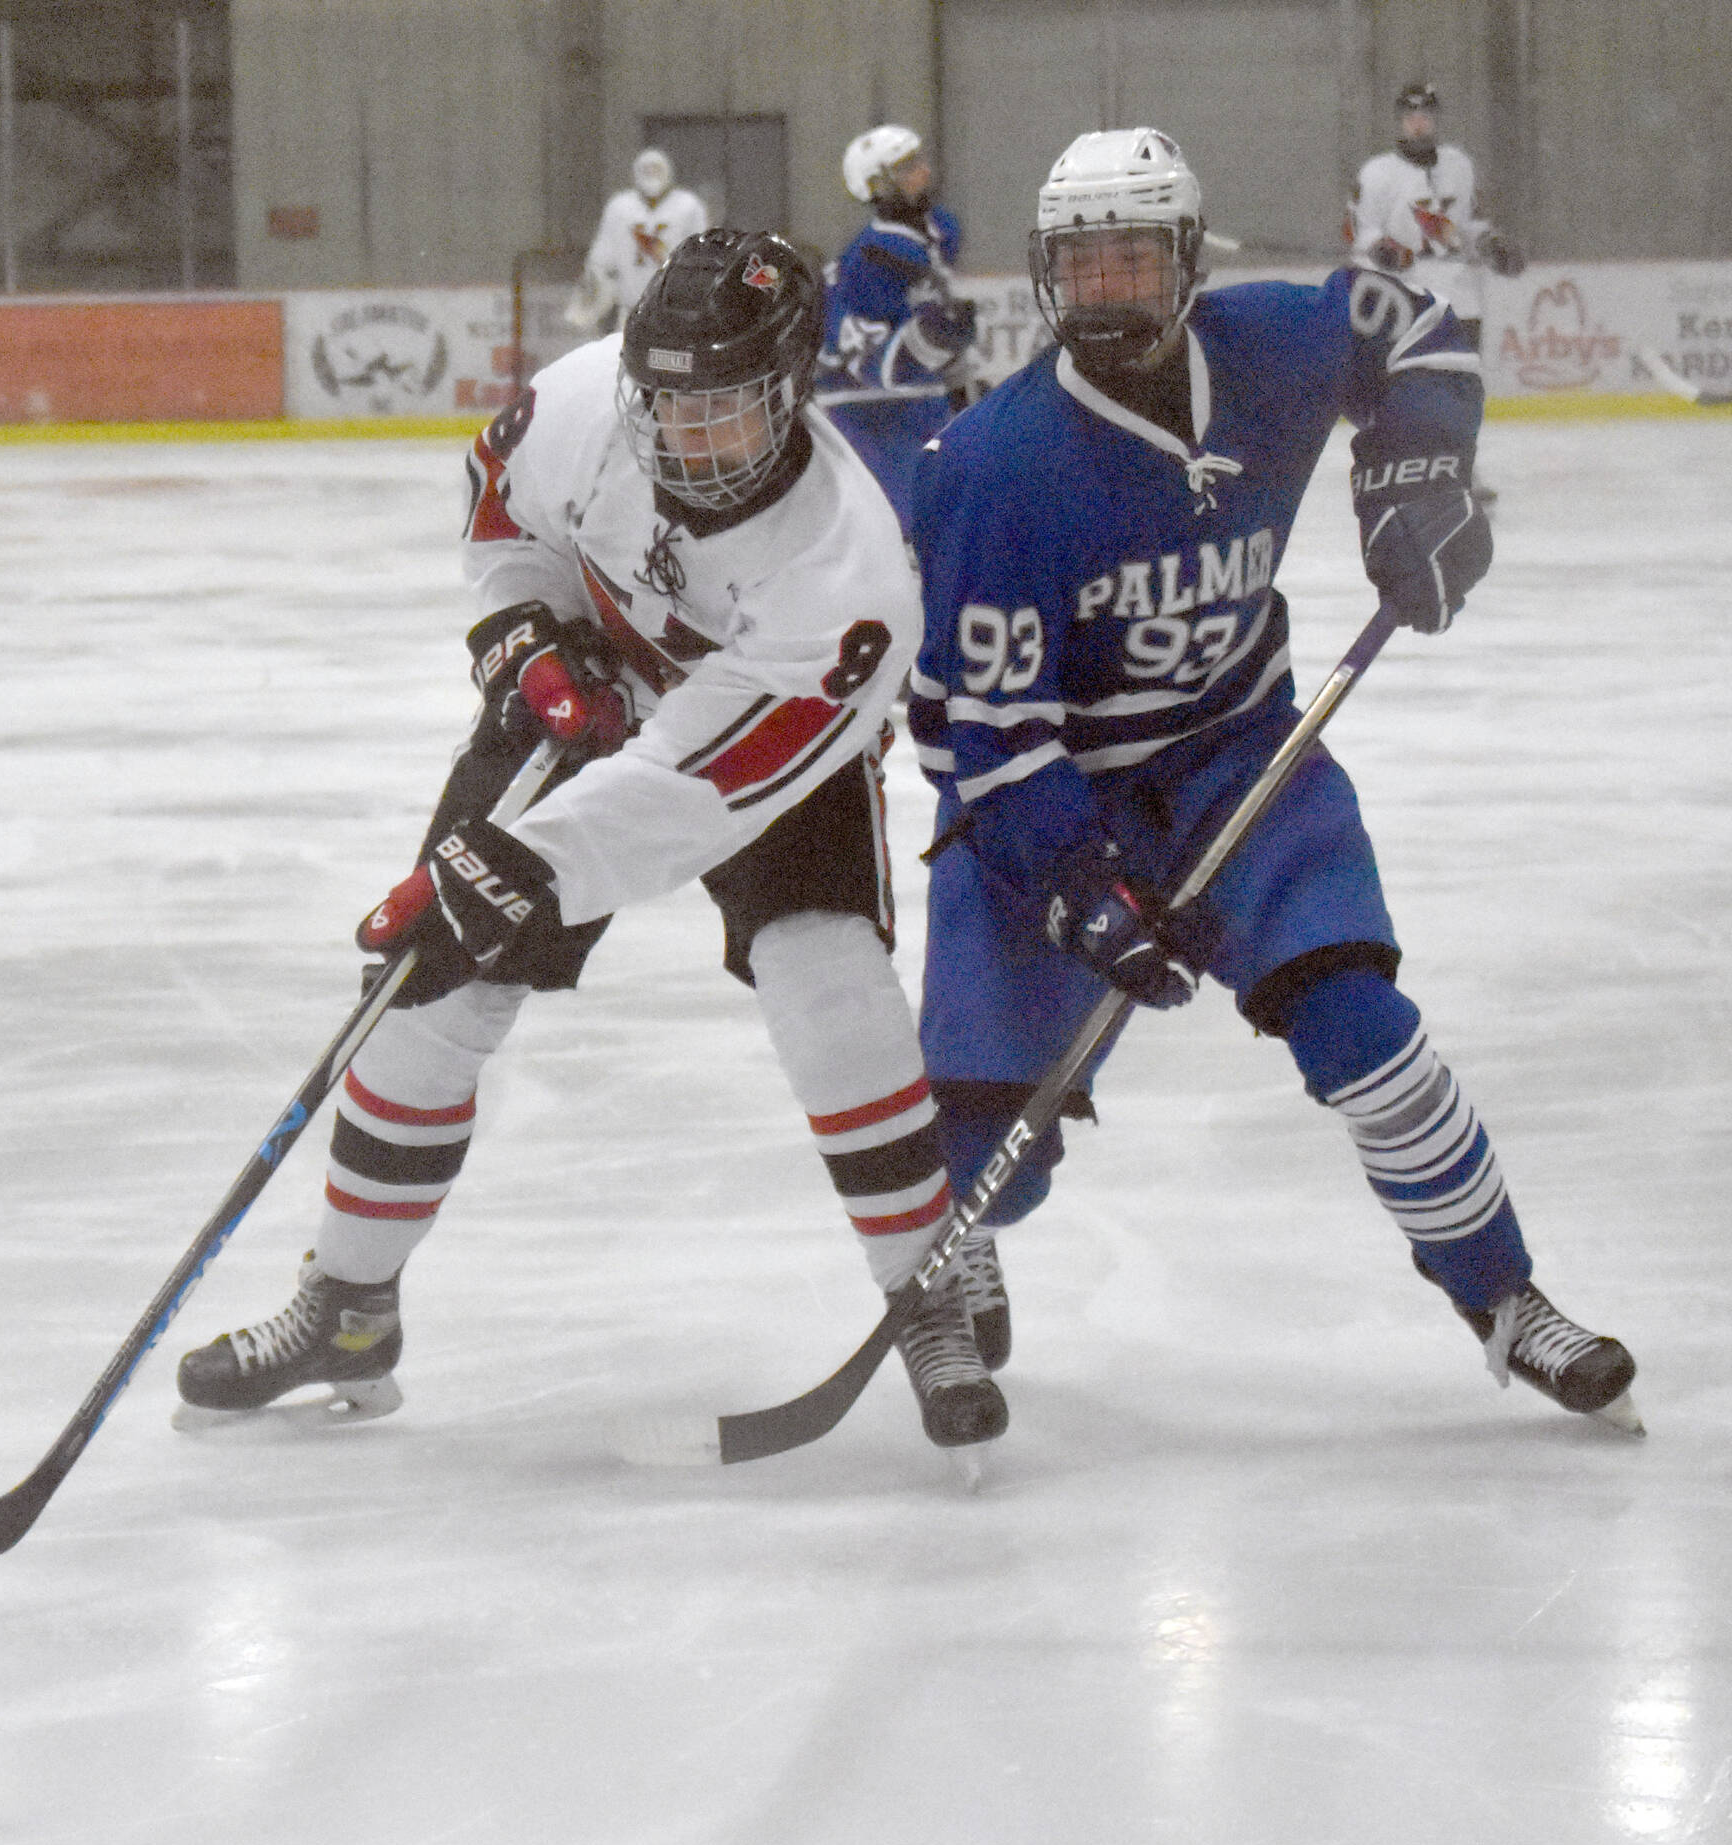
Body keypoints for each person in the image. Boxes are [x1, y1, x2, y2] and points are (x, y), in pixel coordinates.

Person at [177, 229, 1006, 1456]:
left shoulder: (847, 580)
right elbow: (503, 513)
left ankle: (924, 1289)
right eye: (665, 404)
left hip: (764, 738)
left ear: (790, 394)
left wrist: (526, 869)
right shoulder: (582, 401)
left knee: (822, 971)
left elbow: (686, 794)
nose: (682, 438)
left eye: (722, 411)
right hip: (606, 683)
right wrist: (526, 633)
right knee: (423, 994)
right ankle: (348, 1307)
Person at [904, 127, 1639, 1431]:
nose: (1109, 289)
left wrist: (1413, 475)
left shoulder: (1275, 342)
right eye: (1084, 265)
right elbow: (987, 736)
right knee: (991, 1150)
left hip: (1245, 758)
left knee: (1368, 1032)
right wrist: (1081, 884)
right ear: (1043, 274)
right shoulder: (993, 469)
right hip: (1047, 801)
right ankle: (957, 1251)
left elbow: (1417, 325)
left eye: (1135, 258)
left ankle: (1507, 1295)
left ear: (1189, 259)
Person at [1348, 80, 1526, 495]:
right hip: (1406, 293)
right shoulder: (1376, 174)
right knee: (1408, 385)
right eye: (1411, 116)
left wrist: (1493, 246)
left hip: (1460, 291)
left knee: (1462, 384)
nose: (1418, 123)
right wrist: (1381, 250)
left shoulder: (1459, 165)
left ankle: (1463, 464)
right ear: (1399, 121)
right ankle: (1403, 463)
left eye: (1425, 115)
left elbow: (1469, 226)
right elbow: (1358, 229)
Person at [815, 124, 980, 530]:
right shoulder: (872, 257)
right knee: (908, 533)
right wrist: (932, 340)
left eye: (919, 161)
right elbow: (874, 366)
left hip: (916, 405)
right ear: (877, 185)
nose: (923, 172)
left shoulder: (935, 231)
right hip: (867, 414)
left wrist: (959, 385)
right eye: (906, 167)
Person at [563, 148, 711, 334]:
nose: (651, 176)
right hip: (630, 307)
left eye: (656, 170)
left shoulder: (688, 205)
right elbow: (601, 259)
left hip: (674, 309)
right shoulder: (620, 207)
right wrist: (593, 296)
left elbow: (702, 256)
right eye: (646, 170)